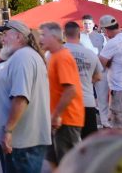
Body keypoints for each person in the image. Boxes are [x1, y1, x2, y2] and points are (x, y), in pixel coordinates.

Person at [0, 19, 51, 173]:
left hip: (22, 143)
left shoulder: (23, 57)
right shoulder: (24, 56)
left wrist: (8, 131)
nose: (2, 39)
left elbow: (21, 98)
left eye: (5, 34)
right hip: (23, 141)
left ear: (18, 37)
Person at [39, 22, 84, 170]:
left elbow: (70, 90)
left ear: (54, 37)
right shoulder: (53, 56)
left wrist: (57, 115)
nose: (40, 39)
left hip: (67, 119)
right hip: (59, 119)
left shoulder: (62, 57)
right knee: (53, 159)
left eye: (43, 35)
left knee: (67, 163)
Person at [63, 21, 102, 139]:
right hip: (87, 102)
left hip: (66, 104)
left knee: (68, 145)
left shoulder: (56, 53)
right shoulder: (90, 53)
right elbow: (99, 76)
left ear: (64, 34)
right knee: (90, 143)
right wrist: (87, 82)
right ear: (79, 34)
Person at [80, 15, 109, 127]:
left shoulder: (100, 37)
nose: (87, 26)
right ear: (82, 24)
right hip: (85, 71)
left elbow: (105, 52)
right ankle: (86, 122)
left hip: (100, 69)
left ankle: (104, 120)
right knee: (85, 97)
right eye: (85, 23)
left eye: (89, 23)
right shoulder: (79, 37)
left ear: (93, 24)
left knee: (102, 97)